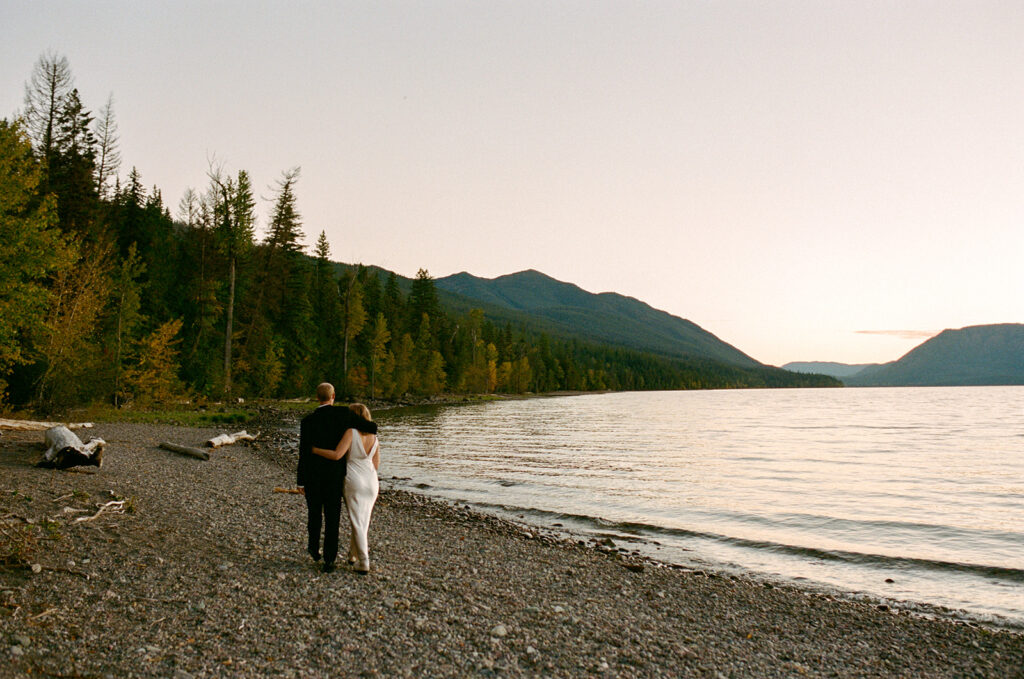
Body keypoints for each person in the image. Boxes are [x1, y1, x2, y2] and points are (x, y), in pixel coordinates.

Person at [298, 383, 377, 573]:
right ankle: (329, 560)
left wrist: (300, 480)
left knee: (314, 514)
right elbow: (372, 427)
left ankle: (313, 548)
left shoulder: (307, 421)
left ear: (317, 397)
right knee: (332, 518)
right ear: (333, 396)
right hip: (334, 477)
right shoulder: (343, 415)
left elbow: (303, 454)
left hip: (313, 476)